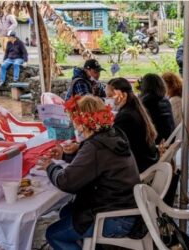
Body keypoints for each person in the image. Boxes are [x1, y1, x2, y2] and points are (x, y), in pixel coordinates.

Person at [38, 95, 140, 250]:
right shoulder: (114, 134)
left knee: (53, 234)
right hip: (126, 208)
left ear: (80, 124)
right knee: (66, 211)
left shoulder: (95, 147)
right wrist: (64, 155)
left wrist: (49, 167)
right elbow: (94, 164)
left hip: (115, 217)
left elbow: (66, 181)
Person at [106, 77, 159, 173]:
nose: (108, 100)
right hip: (147, 161)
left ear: (124, 95)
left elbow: (116, 147)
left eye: (110, 96)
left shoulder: (125, 117)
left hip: (138, 168)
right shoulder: (134, 109)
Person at [162, 72, 189, 144]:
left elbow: (174, 123)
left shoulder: (175, 100)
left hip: (186, 136)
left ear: (168, 86)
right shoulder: (184, 96)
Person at [140, 73, 175, 145]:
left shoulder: (146, 103)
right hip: (169, 139)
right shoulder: (165, 101)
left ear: (144, 86)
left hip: (157, 143)